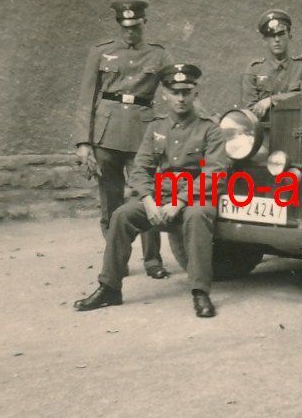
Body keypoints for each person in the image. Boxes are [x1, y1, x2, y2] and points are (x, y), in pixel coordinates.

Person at [73, 63, 227, 318]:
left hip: (195, 198)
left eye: (186, 92)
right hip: (160, 198)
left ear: (195, 94)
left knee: (197, 216)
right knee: (121, 216)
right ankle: (109, 287)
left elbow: (215, 174)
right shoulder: (156, 127)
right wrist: (148, 201)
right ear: (164, 94)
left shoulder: (210, 129)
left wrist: (178, 201)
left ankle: (200, 292)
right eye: (174, 92)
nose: (180, 98)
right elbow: (140, 169)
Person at [73, 0, 170, 279]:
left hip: (142, 134)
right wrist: (83, 142)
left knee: (147, 195)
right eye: (125, 27)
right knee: (111, 201)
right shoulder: (101, 52)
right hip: (106, 136)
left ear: (144, 24)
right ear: (119, 25)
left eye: (136, 27)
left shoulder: (158, 55)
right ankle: (118, 260)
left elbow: (178, 87)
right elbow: (85, 100)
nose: (130, 32)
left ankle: (153, 260)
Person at [241, 9, 302, 117]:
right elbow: (249, 111)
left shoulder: (301, 67)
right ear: (265, 40)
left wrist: (272, 100)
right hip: (265, 131)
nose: (277, 40)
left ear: (289, 36)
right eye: (272, 35)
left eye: (281, 34)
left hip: (296, 130)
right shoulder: (254, 69)